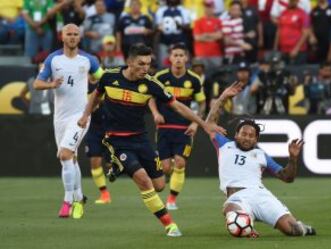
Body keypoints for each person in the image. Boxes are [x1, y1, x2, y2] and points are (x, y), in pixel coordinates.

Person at [77, 43, 224, 236]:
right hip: (116, 140)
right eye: (140, 63)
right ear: (129, 62)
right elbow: (96, 97)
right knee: (144, 181)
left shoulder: (152, 84)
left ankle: (118, 166)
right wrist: (86, 115)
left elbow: (178, 106)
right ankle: (170, 225)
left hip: (141, 139)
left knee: (159, 185)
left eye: (148, 63)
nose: (145, 68)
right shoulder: (108, 76)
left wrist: (203, 124)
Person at [205, 82, 317, 237]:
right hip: (237, 198)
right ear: (236, 134)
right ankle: (247, 226)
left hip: (260, 195)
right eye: (243, 134)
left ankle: (302, 228)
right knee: (228, 209)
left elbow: (287, 178)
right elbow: (209, 123)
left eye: (251, 136)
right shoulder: (224, 145)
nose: (246, 138)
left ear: (256, 139)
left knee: (293, 231)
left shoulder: (261, 155)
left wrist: (293, 159)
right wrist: (223, 97)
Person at [34, 23, 104, 219]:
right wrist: (51, 84)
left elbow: (105, 81)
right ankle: (79, 198)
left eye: (75, 34)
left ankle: (67, 201)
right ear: (62, 37)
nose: (72, 37)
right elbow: (37, 83)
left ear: (79, 38)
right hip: (60, 118)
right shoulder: (53, 60)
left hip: (80, 116)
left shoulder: (88, 60)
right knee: (70, 159)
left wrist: (96, 101)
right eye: (69, 34)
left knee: (65, 154)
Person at [148, 43, 206, 210]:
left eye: (182, 55)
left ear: (186, 58)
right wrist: (155, 114)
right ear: (170, 58)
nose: (179, 58)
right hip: (165, 128)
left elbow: (202, 104)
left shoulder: (194, 79)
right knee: (166, 168)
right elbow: (151, 97)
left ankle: (172, 200)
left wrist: (195, 123)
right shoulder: (160, 76)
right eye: (176, 55)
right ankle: (168, 179)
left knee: (180, 163)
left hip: (185, 129)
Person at [84, 85, 112, 204]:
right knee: (95, 162)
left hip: (110, 129)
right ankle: (104, 194)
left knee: (111, 164)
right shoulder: (83, 85)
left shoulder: (108, 82)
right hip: (93, 130)